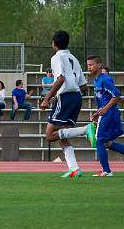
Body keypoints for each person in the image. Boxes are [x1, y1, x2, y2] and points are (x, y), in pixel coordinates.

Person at [40, 30, 95, 178]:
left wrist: (47, 98)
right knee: (61, 136)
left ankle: (86, 129)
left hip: (66, 97)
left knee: (50, 136)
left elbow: (60, 79)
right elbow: (83, 86)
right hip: (75, 96)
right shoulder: (74, 58)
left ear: (54, 43)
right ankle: (74, 168)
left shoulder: (56, 57)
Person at [87, 55, 124, 177]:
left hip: (110, 113)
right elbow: (103, 99)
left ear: (99, 65)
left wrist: (104, 110)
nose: (89, 67)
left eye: (91, 64)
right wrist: (98, 113)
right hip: (108, 113)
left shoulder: (104, 79)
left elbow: (117, 95)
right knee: (107, 143)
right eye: (88, 65)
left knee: (99, 140)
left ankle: (107, 171)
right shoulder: (96, 80)